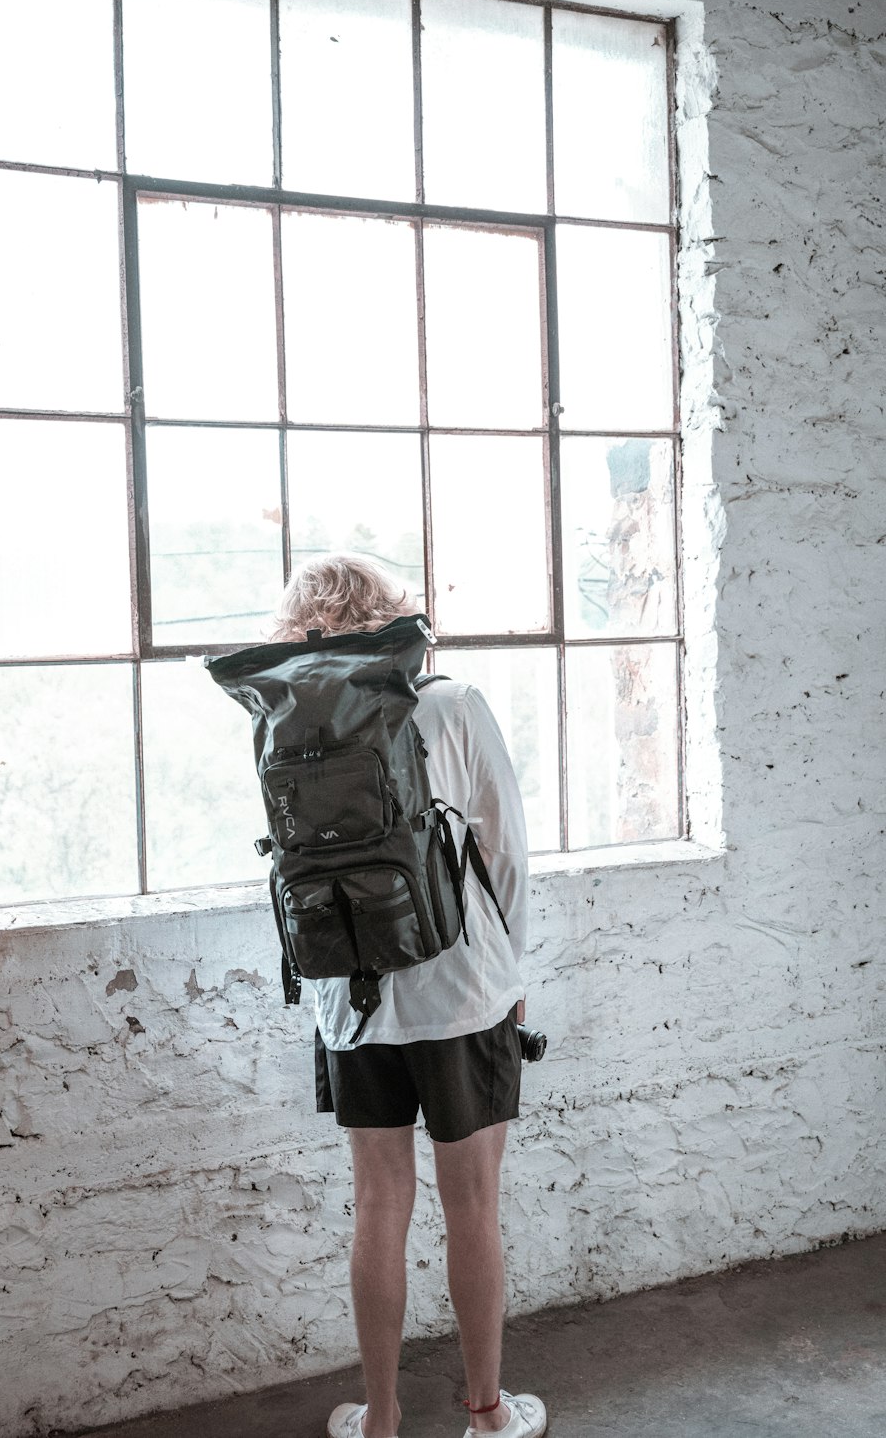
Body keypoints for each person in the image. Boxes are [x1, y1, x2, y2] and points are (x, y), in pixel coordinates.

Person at [269, 554, 547, 1438]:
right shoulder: (451, 704)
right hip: (461, 991)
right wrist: (512, 973)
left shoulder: (284, 727)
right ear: (390, 616)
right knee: (473, 1203)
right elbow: (505, 853)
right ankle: (487, 1414)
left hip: (349, 1001)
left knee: (378, 1202)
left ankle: (381, 1420)